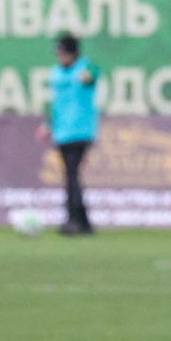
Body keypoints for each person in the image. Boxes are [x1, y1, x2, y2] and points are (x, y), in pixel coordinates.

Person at [36, 33, 98, 236]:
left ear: (73, 53)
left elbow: (93, 74)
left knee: (71, 174)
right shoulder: (55, 73)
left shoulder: (85, 67)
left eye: (64, 53)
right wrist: (48, 125)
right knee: (71, 175)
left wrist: (88, 77)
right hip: (62, 132)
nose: (61, 57)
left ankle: (73, 219)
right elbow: (56, 102)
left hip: (81, 131)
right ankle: (83, 221)